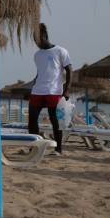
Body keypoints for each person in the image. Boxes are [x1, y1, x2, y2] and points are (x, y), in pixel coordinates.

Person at [29, 23, 72, 156]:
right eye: (34, 40)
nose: (36, 43)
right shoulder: (37, 55)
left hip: (54, 91)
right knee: (32, 120)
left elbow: (69, 70)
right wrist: (31, 86)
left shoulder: (61, 51)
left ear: (44, 36)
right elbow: (40, 73)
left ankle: (58, 149)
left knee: (55, 121)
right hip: (37, 91)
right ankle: (34, 148)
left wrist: (67, 90)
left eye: (37, 39)